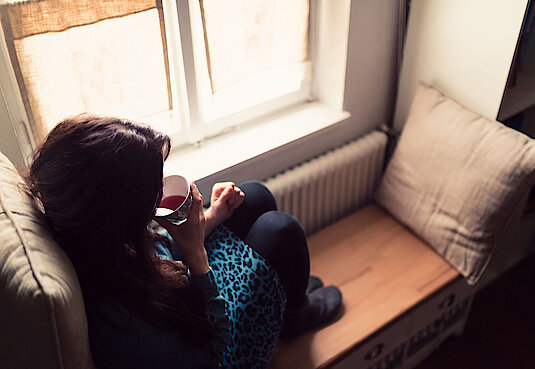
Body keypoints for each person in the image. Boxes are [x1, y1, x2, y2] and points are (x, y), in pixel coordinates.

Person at [26, 114, 342, 369]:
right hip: (217, 342)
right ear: (122, 211)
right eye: (152, 186)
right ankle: (295, 314)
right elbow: (212, 353)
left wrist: (212, 216)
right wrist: (196, 253)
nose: (160, 189)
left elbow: (159, 253)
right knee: (280, 230)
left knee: (254, 196)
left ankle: (287, 300)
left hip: (179, 292)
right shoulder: (124, 327)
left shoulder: (95, 238)